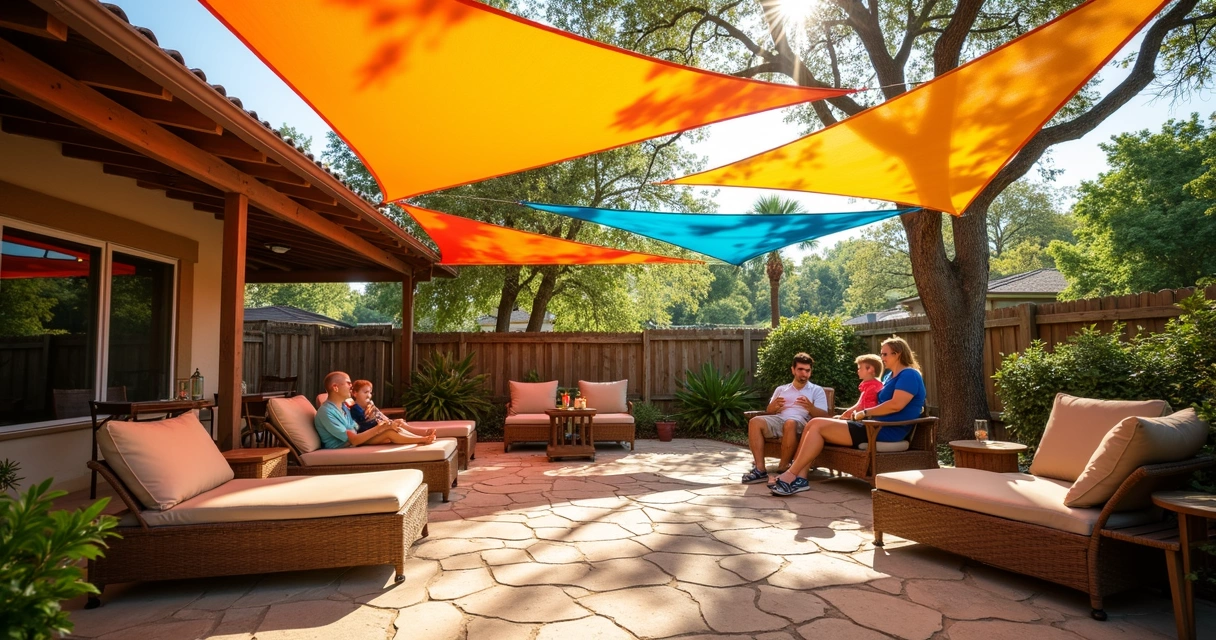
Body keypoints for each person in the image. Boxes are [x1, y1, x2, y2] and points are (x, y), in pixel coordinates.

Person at [769, 337, 927, 496]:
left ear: (897, 354)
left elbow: (896, 404)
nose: (882, 358)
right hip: (870, 426)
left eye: (885, 354)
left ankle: (791, 474)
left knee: (817, 425)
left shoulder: (909, 375)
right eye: (881, 354)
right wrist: (850, 415)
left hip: (885, 430)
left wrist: (865, 413)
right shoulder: (889, 377)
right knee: (813, 424)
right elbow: (870, 401)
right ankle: (800, 478)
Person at [741, 353, 830, 484]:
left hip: (801, 422)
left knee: (790, 423)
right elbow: (769, 411)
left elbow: (824, 416)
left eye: (807, 370)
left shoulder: (816, 390)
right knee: (755, 422)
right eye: (800, 369)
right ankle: (760, 470)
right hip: (779, 419)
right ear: (793, 370)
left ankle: (783, 467)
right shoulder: (781, 389)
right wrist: (773, 407)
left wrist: (810, 407)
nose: (804, 374)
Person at [314, 371, 434, 449]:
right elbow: (353, 439)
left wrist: (371, 408)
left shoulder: (345, 404)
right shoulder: (326, 412)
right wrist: (380, 428)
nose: (351, 386)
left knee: (391, 427)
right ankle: (422, 440)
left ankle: (421, 439)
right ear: (335, 387)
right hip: (345, 446)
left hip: (356, 439)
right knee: (388, 431)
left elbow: (360, 409)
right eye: (348, 383)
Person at [349, 379, 434, 438]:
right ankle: (420, 436)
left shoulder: (369, 406)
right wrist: (386, 424)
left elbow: (381, 416)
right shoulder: (355, 409)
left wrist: (390, 421)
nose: (369, 395)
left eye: (370, 393)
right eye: (365, 392)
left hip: (379, 426)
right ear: (355, 393)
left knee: (400, 423)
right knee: (395, 427)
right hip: (371, 432)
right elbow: (365, 425)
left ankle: (421, 433)